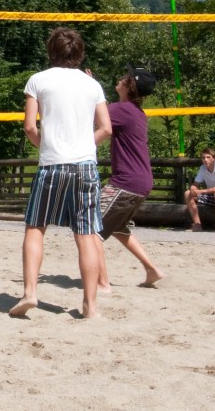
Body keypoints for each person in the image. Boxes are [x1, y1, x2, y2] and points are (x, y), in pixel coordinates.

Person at [9, 27, 112, 319]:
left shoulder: (38, 80)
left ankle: (30, 293)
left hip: (53, 164)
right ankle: (91, 306)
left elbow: (30, 126)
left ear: (51, 50)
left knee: (35, 227)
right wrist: (80, 145)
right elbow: (106, 128)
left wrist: (49, 146)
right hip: (85, 166)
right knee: (86, 234)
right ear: (80, 53)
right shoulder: (92, 85)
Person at [92, 65, 164, 290]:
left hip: (126, 183)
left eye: (124, 77)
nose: (120, 78)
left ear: (129, 85)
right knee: (118, 227)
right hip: (140, 182)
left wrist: (90, 87)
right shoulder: (135, 112)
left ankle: (102, 283)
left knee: (90, 228)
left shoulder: (123, 110)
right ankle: (152, 270)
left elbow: (94, 113)